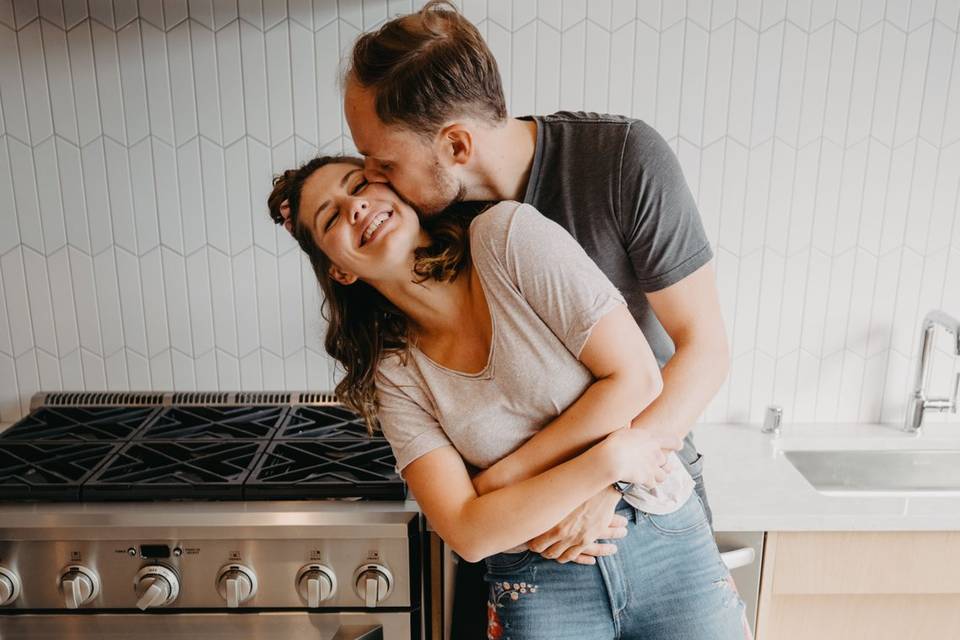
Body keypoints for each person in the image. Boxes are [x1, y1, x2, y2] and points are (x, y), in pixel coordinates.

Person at [341, 2, 732, 635]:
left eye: (382, 161)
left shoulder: (620, 160)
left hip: (650, 496)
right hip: (529, 540)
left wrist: (607, 483)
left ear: (458, 144)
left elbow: (705, 350)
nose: (372, 180)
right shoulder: (430, 225)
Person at [267, 156, 749, 639]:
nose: (355, 207)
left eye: (359, 185)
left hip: (657, 524)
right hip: (539, 570)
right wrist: (606, 461)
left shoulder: (505, 237)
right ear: (339, 272)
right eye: (331, 217)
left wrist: (504, 479)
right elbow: (468, 534)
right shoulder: (396, 373)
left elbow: (637, 379)